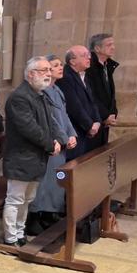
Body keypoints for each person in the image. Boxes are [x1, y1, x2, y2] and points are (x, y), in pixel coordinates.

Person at [2, 56, 62, 247]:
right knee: (15, 199)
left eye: (48, 70)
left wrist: (56, 140)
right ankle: (11, 237)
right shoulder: (20, 97)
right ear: (31, 74)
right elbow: (30, 128)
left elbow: (48, 123)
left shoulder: (40, 95)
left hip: (34, 157)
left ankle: (20, 232)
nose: (48, 74)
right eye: (43, 70)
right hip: (21, 157)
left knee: (27, 199)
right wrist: (50, 145)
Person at [27, 55, 79, 235]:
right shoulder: (43, 92)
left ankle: (50, 212)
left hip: (62, 144)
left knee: (55, 183)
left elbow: (64, 116)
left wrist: (72, 134)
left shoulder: (57, 90)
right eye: (54, 66)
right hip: (53, 143)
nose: (59, 68)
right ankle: (35, 216)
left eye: (59, 65)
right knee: (44, 183)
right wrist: (64, 138)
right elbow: (52, 120)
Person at [55, 45, 100, 157]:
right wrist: (89, 126)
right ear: (73, 61)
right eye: (84, 55)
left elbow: (92, 102)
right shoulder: (65, 77)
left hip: (86, 130)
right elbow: (74, 106)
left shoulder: (84, 76)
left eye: (88, 55)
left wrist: (97, 121)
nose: (89, 58)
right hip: (75, 130)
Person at [87, 33, 119, 148]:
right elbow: (91, 95)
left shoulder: (108, 66)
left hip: (105, 122)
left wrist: (113, 113)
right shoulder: (89, 67)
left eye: (113, 44)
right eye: (109, 45)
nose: (113, 47)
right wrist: (105, 116)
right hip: (93, 121)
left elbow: (110, 94)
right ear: (97, 48)